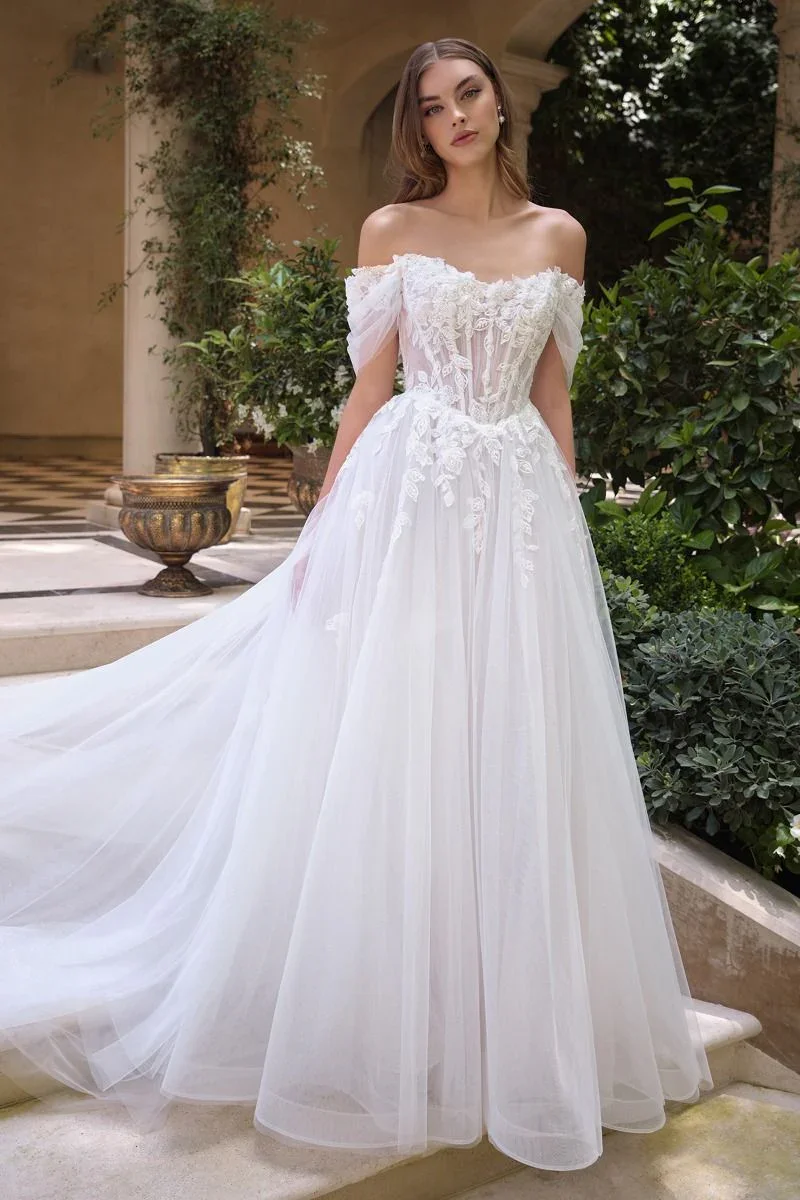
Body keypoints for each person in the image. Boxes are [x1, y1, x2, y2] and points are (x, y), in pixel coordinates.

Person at [0, 36, 712, 1174]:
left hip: (519, 507)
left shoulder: (560, 236)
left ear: (498, 103)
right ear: (416, 128)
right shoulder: (392, 231)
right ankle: (387, 996)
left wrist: (568, 520)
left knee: (506, 740)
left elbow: (551, 394)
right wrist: (326, 526)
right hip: (411, 492)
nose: (454, 117)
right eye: (431, 106)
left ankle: (499, 1011)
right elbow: (368, 388)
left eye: (468, 93)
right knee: (398, 730)